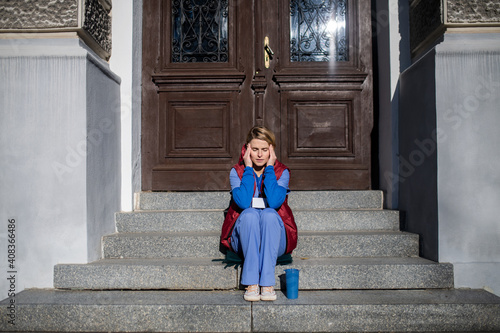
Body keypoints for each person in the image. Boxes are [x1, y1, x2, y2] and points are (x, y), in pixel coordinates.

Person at [220, 126, 297, 301]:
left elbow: (276, 201)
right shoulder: (237, 172)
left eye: (264, 149)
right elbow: (243, 202)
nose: (260, 155)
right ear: (247, 149)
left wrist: (270, 169)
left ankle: (267, 283)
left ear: (272, 150)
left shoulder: (282, 172)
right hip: (246, 238)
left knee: (270, 214)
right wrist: (248, 168)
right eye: (255, 150)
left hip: (274, 239)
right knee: (249, 214)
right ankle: (251, 282)